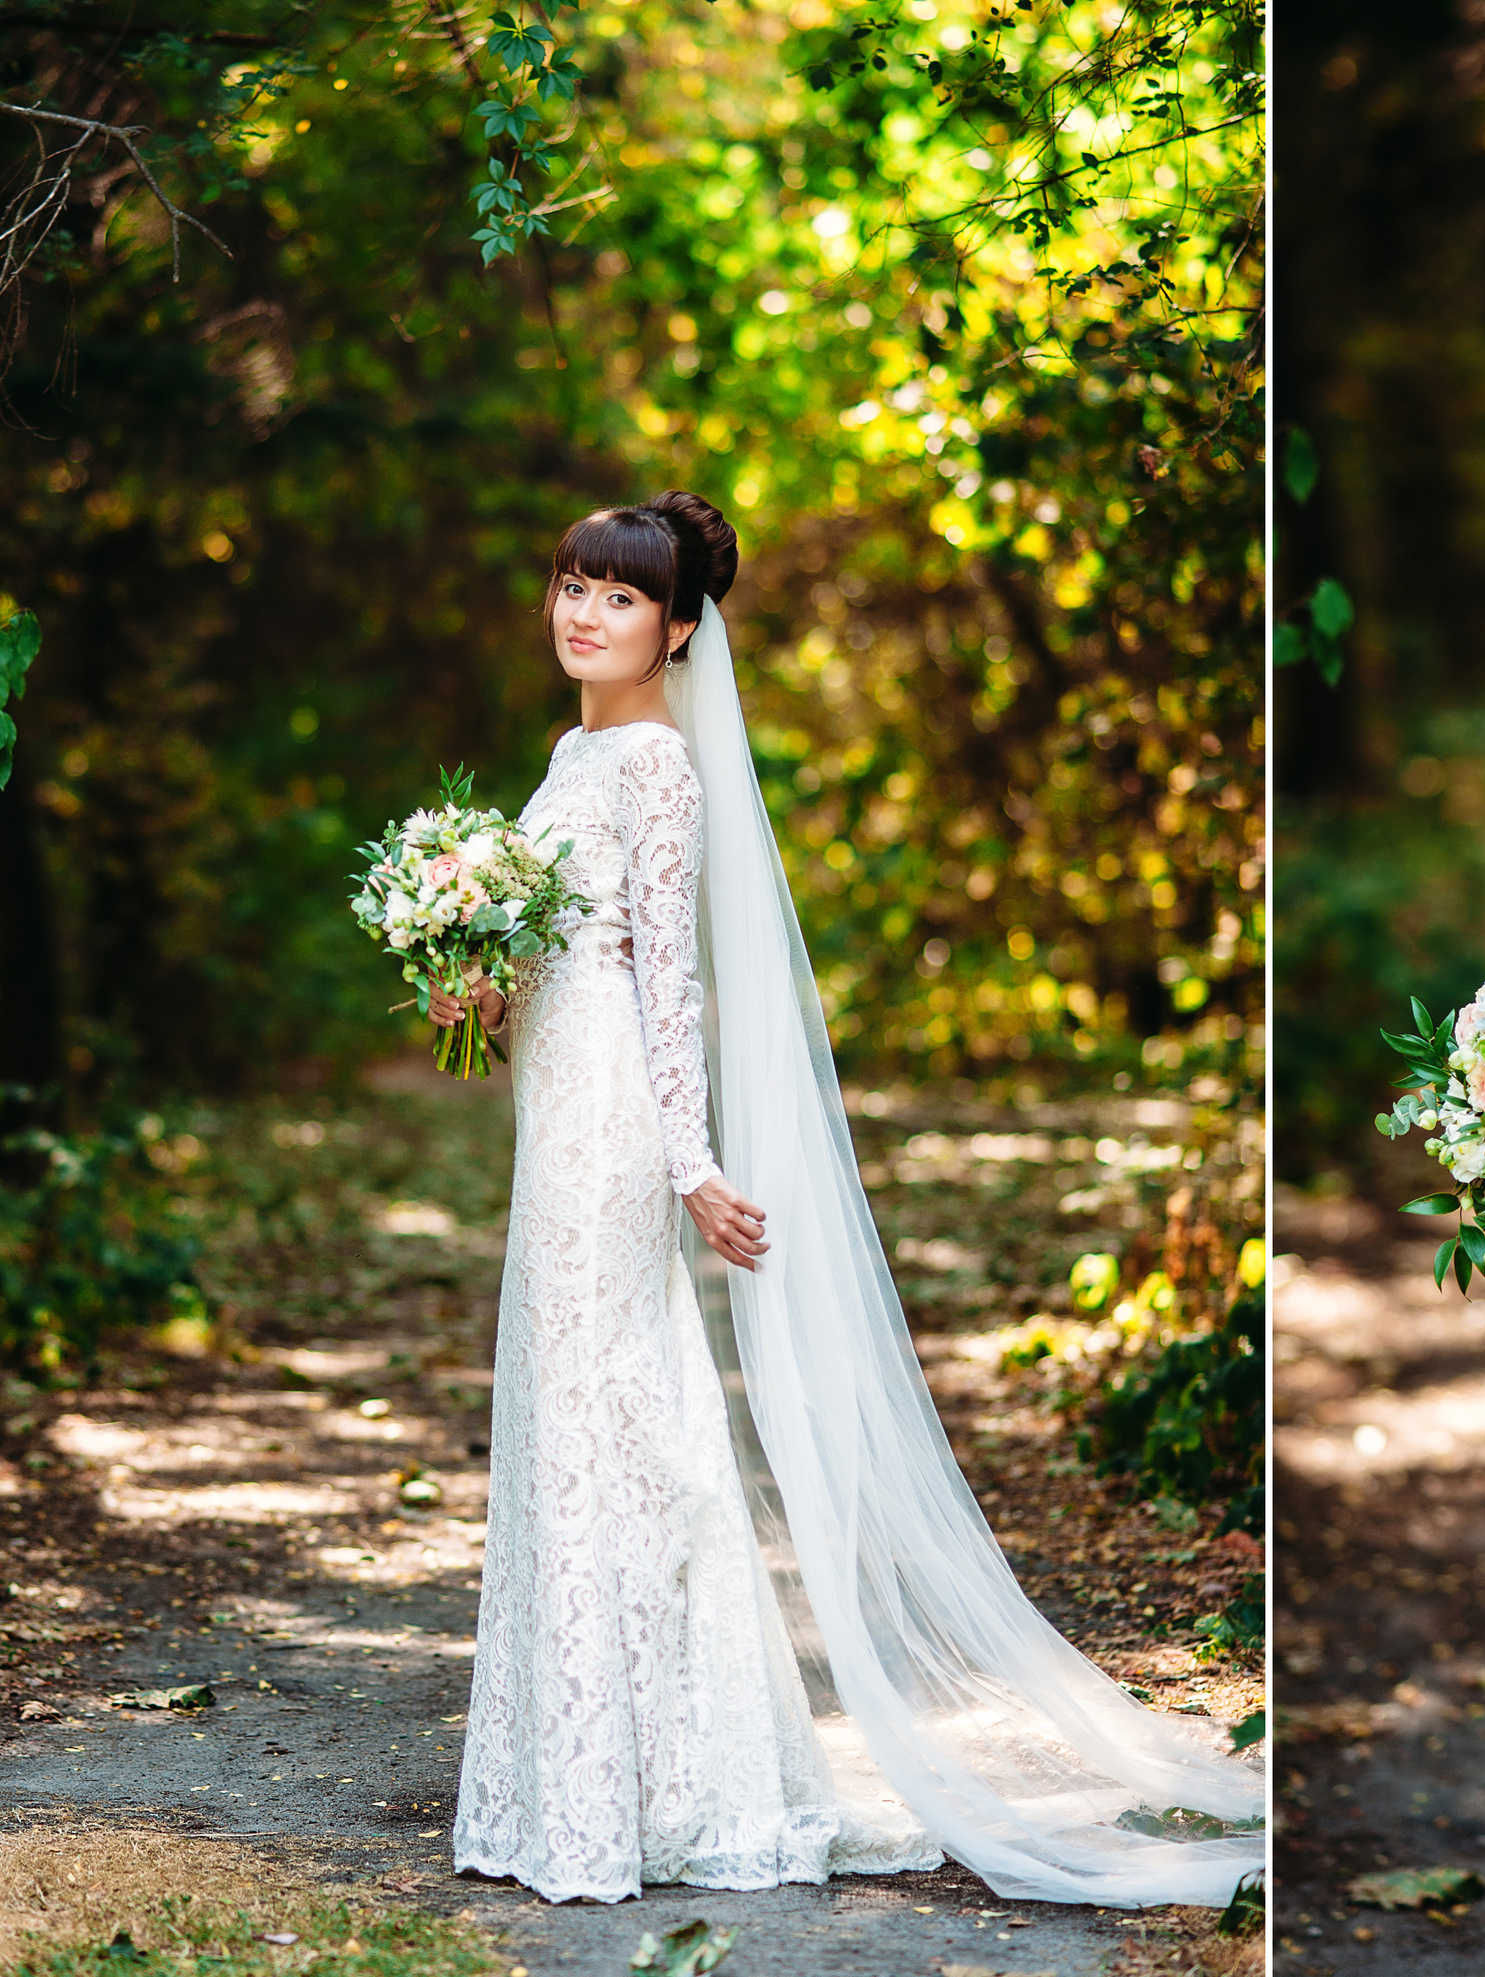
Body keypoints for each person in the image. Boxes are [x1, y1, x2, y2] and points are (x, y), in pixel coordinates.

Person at [428, 491, 1262, 1907]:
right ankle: (590, 1761)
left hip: (617, 1130)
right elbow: (568, 952)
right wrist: (470, 977)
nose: (582, 610)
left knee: (619, 1417)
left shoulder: (661, 770)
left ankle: (648, 1779)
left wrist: (689, 1161)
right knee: (568, 1413)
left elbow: (667, 982)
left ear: (677, 629)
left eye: (619, 597)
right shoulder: (574, 751)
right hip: (549, 1118)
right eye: (571, 582)